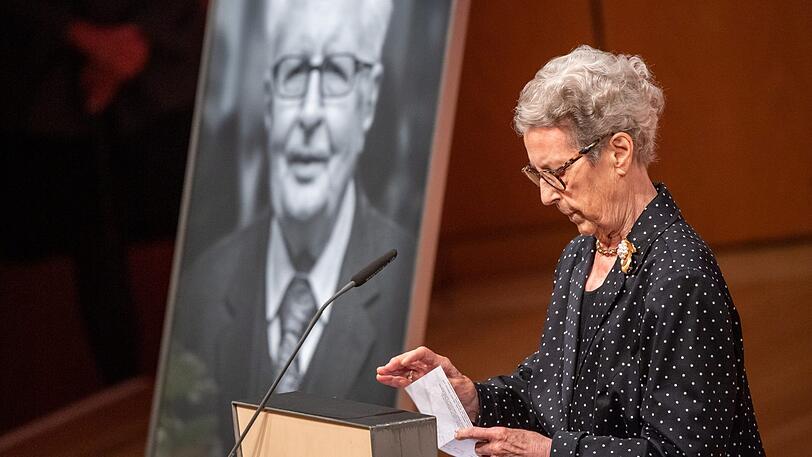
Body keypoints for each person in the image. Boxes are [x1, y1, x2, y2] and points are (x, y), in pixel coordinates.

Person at [377, 45, 765, 456]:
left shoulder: (680, 273)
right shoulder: (579, 257)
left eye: (557, 172)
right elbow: (550, 394)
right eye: (536, 174)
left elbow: (687, 451)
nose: (545, 196)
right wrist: (476, 399)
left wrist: (551, 453)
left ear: (619, 152)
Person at [168, 0, 415, 449]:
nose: (309, 113)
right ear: (267, 99)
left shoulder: (411, 280)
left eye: (337, 73)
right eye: (295, 73)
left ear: (368, 100)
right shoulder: (203, 288)